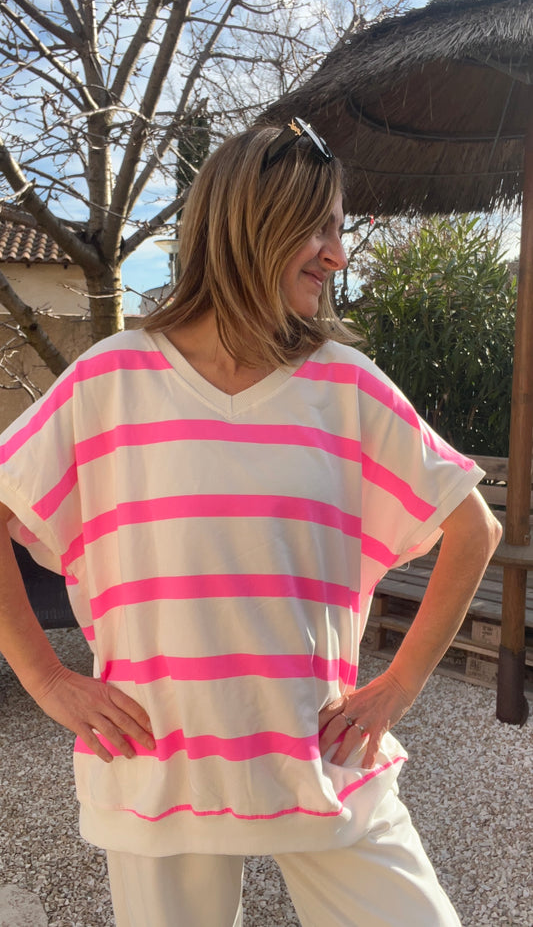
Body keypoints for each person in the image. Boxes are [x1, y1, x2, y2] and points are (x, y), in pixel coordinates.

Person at [0, 118, 501, 927]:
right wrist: (47, 679)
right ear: (249, 227)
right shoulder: (109, 382)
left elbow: (474, 530)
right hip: (157, 766)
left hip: (323, 759)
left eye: (338, 229)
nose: (337, 256)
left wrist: (397, 687)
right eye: (319, 228)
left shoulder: (348, 387)